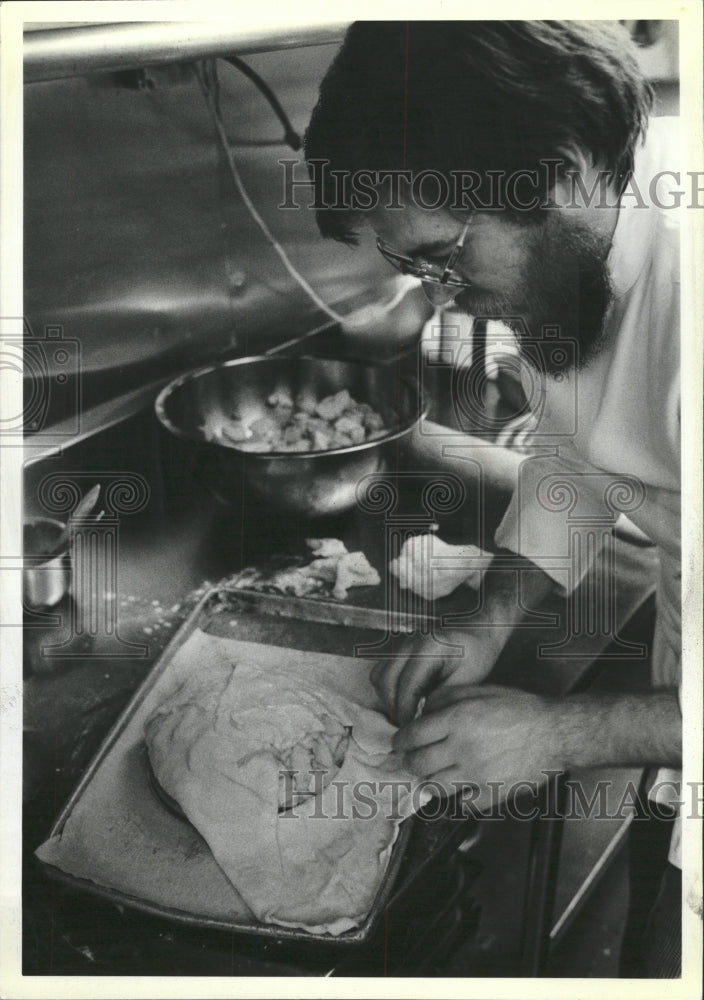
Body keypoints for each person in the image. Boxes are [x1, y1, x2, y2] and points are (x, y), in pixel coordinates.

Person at [305, 21, 683, 976]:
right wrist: (489, 615)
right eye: (413, 273)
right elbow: (583, 451)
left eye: (444, 256)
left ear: (555, 175)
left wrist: (559, 733)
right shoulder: (579, 270)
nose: (443, 299)